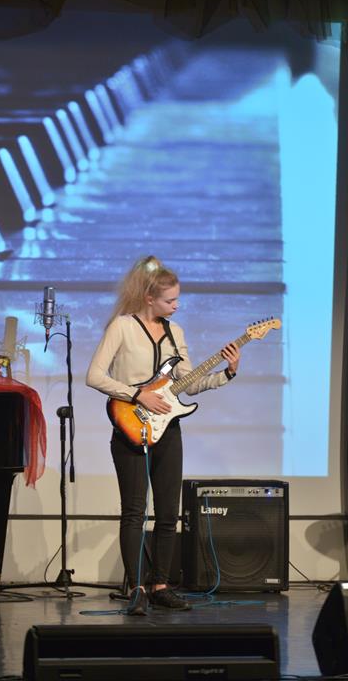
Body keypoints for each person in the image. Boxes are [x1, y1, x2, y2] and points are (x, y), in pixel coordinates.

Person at [86, 255, 240, 615]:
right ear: (149, 298)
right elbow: (94, 376)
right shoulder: (122, 326)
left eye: (177, 299)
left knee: (169, 512)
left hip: (168, 430)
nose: (176, 305)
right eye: (170, 300)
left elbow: (190, 383)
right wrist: (137, 394)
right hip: (131, 427)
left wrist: (227, 373)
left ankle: (160, 586)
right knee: (134, 511)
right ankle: (136, 588)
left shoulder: (176, 332)